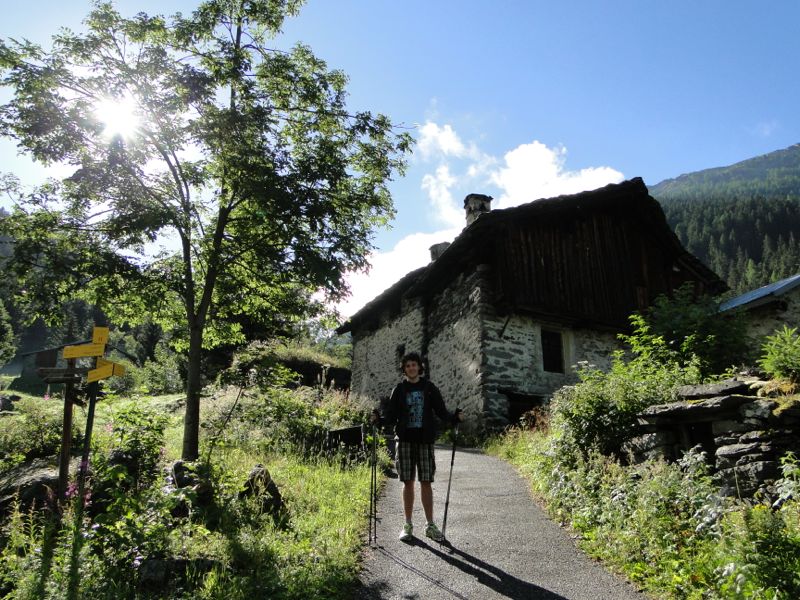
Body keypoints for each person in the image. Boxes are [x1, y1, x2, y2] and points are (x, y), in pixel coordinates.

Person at [372, 352, 462, 542]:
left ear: (420, 367)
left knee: (426, 482)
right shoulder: (399, 389)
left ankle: (430, 525)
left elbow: (440, 411)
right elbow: (391, 415)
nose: (411, 368)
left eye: (414, 365)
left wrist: (454, 418)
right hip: (404, 440)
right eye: (407, 366)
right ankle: (408, 524)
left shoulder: (429, 388)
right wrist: (379, 420)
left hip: (425, 441)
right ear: (404, 369)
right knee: (408, 482)